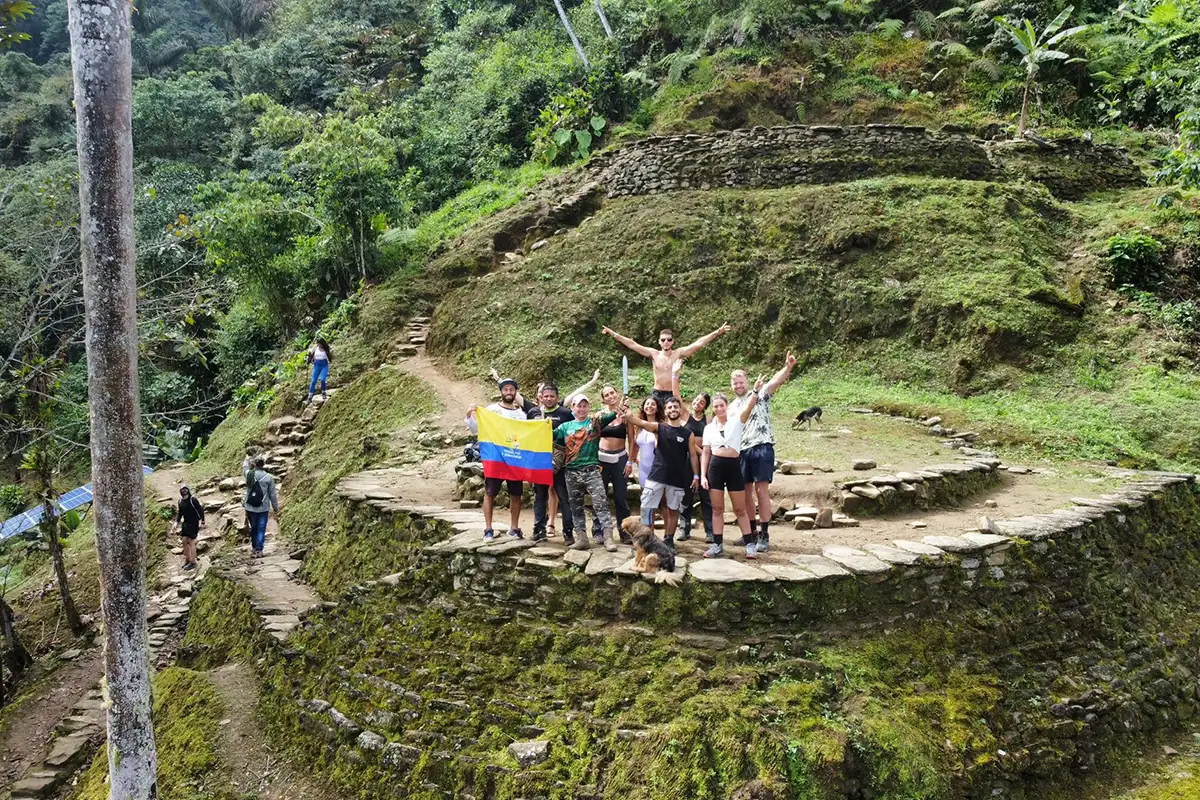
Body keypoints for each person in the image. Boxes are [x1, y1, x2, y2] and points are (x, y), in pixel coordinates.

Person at [728, 352, 797, 553]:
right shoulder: (732, 407)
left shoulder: (761, 393)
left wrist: (788, 367)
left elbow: (776, 381)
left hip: (762, 446)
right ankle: (750, 532)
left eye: (741, 381)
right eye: (735, 383)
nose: (739, 385)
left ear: (747, 382)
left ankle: (764, 533)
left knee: (761, 490)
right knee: (746, 493)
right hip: (742, 450)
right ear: (732, 386)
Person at [526, 373, 600, 545]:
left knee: (564, 497)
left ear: (557, 397)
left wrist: (592, 380)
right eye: (546, 396)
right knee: (539, 496)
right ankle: (539, 530)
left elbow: (579, 427)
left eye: (552, 396)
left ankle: (568, 533)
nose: (549, 398)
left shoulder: (565, 413)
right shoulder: (533, 412)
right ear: (541, 397)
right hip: (539, 461)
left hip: (562, 462)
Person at [625, 395, 700, 547]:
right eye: (670, 407)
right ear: (665, 411)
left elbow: (693, 455)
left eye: (675, 407)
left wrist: (697, 475)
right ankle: (647, 540)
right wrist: (629, 417)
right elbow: (642, 423)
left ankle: (668, 540)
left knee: (673, 510)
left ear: (680, 409)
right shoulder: (660, 428)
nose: (673, 409)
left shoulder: (688, 434)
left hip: (677, 478)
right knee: (646, 507)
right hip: (656, 475)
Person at [700, 380, 762, 560]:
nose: (719, 409)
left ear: (727, 407)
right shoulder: (709, 428)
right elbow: (705, 452)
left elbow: (749, 407)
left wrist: (756, 390)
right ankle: (717, 545)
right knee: (717, 508)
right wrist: (703, 475)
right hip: (715, 468)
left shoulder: (736, 421)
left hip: (734, 466)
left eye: (722, 406)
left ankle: (750, 543)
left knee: (740, 509)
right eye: (716, 406)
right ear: (713, 409)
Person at [602, 323, 731, 407]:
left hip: (672, 393)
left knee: (673, 421)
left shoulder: (679, 353)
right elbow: (632, 344)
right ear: (659, 341)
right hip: (657, 393)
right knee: (655, 421)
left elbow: (698, 343)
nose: (666, 342)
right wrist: (613, 333)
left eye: (669, 340)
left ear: (673, 341)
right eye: (663, 340)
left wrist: (717, 332)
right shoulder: (654, 354)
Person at [465, 377, 530, 542]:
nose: (508, 392)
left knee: (516, 495)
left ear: (515, 392)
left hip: (515, 459)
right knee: (490, 493)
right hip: (495, 459)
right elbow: (475, 429)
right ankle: (488, 529)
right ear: (501, 392)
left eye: (511, 389)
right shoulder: (491, 410)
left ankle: (514, 528)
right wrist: (469, 414)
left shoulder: (521, 414)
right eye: (505, 389)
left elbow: (526, 436)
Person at [554, 394, 621, 552]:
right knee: (575, 506)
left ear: (588, 408)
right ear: (573, 408)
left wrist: (619, 405)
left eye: (585, 406)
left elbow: (615, 413)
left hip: (592, 471)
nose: (582, 409)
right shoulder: (565, 427)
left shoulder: (595, 423)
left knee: (601, 504)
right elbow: (548, 434)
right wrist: (542, 424)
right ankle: (582, 538)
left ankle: (608, 538)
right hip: (571, 472)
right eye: (579, 405)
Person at [596, 384, 635, 543]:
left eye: (612, 392)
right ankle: (599, 530)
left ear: (617, 393)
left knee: (620, 497)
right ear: (603, 399)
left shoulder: (626, 415)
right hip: (601, 459)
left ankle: (624, 531)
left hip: (620, 458)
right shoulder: (600, 415)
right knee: (600, 496)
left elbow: (632, 440)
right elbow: (593, 437)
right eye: (607, 395)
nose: (610, 396)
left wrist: (630, 461)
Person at [679, 391, 714, 543]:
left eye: (702, 402)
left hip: (705, 460)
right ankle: (684, 529)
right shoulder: (686, 416)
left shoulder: (709, 420)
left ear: (705, 407)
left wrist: (703, 454)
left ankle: (710, 531)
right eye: (696, 400)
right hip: (687, 459)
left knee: (706, 496)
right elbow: (676, 396)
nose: (697, 403)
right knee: (686, 495)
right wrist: (675, 375)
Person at [631, 396, 664, 524]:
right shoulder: (639, 426)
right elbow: (636, 445)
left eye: (653, 404)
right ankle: (648, 533)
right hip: (643, 469)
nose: (649, 406)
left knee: (662, 502)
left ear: (657, 408)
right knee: (646, 502)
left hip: (657, 468)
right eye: (647, 404)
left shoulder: (661, 425)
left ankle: (668, 535)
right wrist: (633, 460)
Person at [243, 456, 280, 559]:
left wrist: (246, 460)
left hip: (250, 507)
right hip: (263, 507)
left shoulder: (250, 475)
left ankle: (254, 548)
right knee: (261, 528)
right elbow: (272, 494)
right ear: (263, 465)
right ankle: (259, 550)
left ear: (254, 464)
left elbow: (244, 469)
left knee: (254, 528)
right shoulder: (268, 478)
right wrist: (276, 507)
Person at [170, 485, 205, 571]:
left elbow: (200, 510)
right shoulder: (180, 501)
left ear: (188, 490)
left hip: (194, 522)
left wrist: (203, 521)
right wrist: (176, 522)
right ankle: (188, 559)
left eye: (185, 489)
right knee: (184, 541)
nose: (184, 491)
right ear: (180, 491)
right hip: (185, 523)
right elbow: (180, 513)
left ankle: (193, 562)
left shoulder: (193, 500)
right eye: (182, 490)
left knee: (191, 541)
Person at [307, 337, 333, 402]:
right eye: (318, 344)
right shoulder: (315, 347)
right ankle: (310, 395)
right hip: (317, 365)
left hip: (324, 365)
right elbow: (310, 353)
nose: (319, 345)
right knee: (313, 381)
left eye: (320, 344)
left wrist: (330, 359)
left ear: (322, 343)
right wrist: (309, 359)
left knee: (323, 379)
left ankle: (323, 392)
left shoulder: (325, 349)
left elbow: (330, 356)